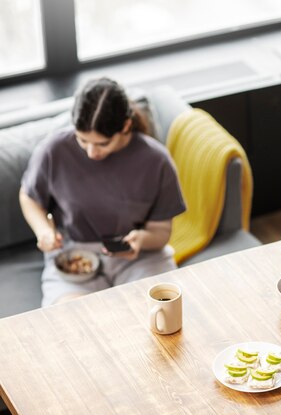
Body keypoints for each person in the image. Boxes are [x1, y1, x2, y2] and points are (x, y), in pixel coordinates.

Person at [20, 77, 186, 306]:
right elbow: (29, 198)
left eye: (102, 144)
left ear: (126, 126)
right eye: (82, 140)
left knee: (160, 312)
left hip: (138, 260)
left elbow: (161, 232)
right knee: (70, 324)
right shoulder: (54, 150)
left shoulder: (157, 162)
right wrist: (43, 231)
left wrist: (142, 240)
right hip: (74, 258)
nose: (91, 152)